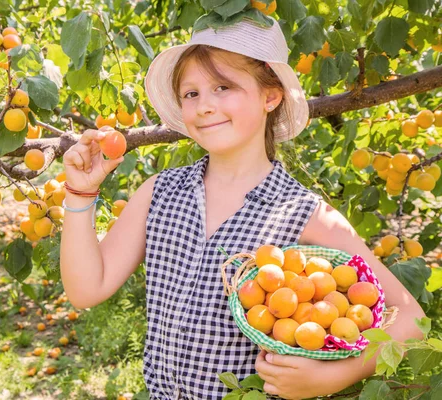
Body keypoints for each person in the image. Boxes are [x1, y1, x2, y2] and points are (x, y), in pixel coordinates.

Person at [60, 15, 425, 400]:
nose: (204, 106)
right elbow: (86, 290)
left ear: (270, 96)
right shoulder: (160, 193)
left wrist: (332, 377)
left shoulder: (304, 213)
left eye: (223, 86)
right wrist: (80, 195)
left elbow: (410, 318)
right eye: (191, 94)